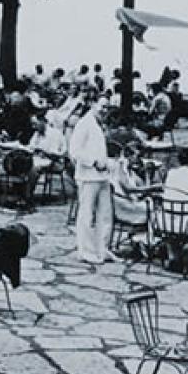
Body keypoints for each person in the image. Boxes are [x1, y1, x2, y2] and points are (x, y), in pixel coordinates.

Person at [70, 104, 113, 265]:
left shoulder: (100, 124)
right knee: (87, 214)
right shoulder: (84, 124)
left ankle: (102, 249)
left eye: (107, 108)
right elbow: (74, 151)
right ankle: (86, 251)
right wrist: (93, 162)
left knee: (105, 214)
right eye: (102, 106)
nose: (105, 110)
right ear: (93, 105)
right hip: (88, 177)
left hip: (103, 177)